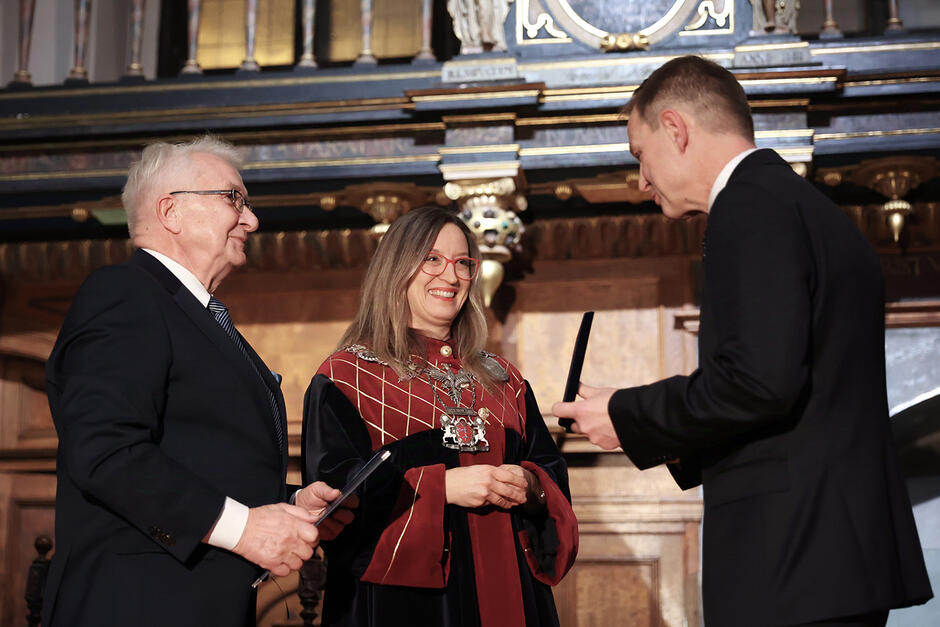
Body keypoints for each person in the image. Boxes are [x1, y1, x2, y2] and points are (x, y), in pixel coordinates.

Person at [552, 56, 933, 627]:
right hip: (831, 557)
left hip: (793, 560)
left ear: (675, 129)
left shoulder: (750, 208)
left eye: (639, 154)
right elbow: (796, 396)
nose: (640, 181)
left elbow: (758, 382)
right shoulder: (804, 209)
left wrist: (626, 413)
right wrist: (654, 430)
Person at [44, 137, 352, 626]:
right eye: (235, 199)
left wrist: (289, 505)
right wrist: (244, 527)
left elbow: (200, 457)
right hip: (137, 606)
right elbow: (105, 451)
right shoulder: (125, 295)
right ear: (171, 212)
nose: (251, 220)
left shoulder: (193, 315)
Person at [302, 206, 578, 626]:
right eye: (431, 259)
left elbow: (552, 476)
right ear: (396, 268)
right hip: (401, 607)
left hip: (514, 595)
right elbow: (333, 505)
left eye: (463, 263)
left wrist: (531, 484)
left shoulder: (507, 381)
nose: (450, 277)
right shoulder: (347, 376)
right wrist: (440, 487)